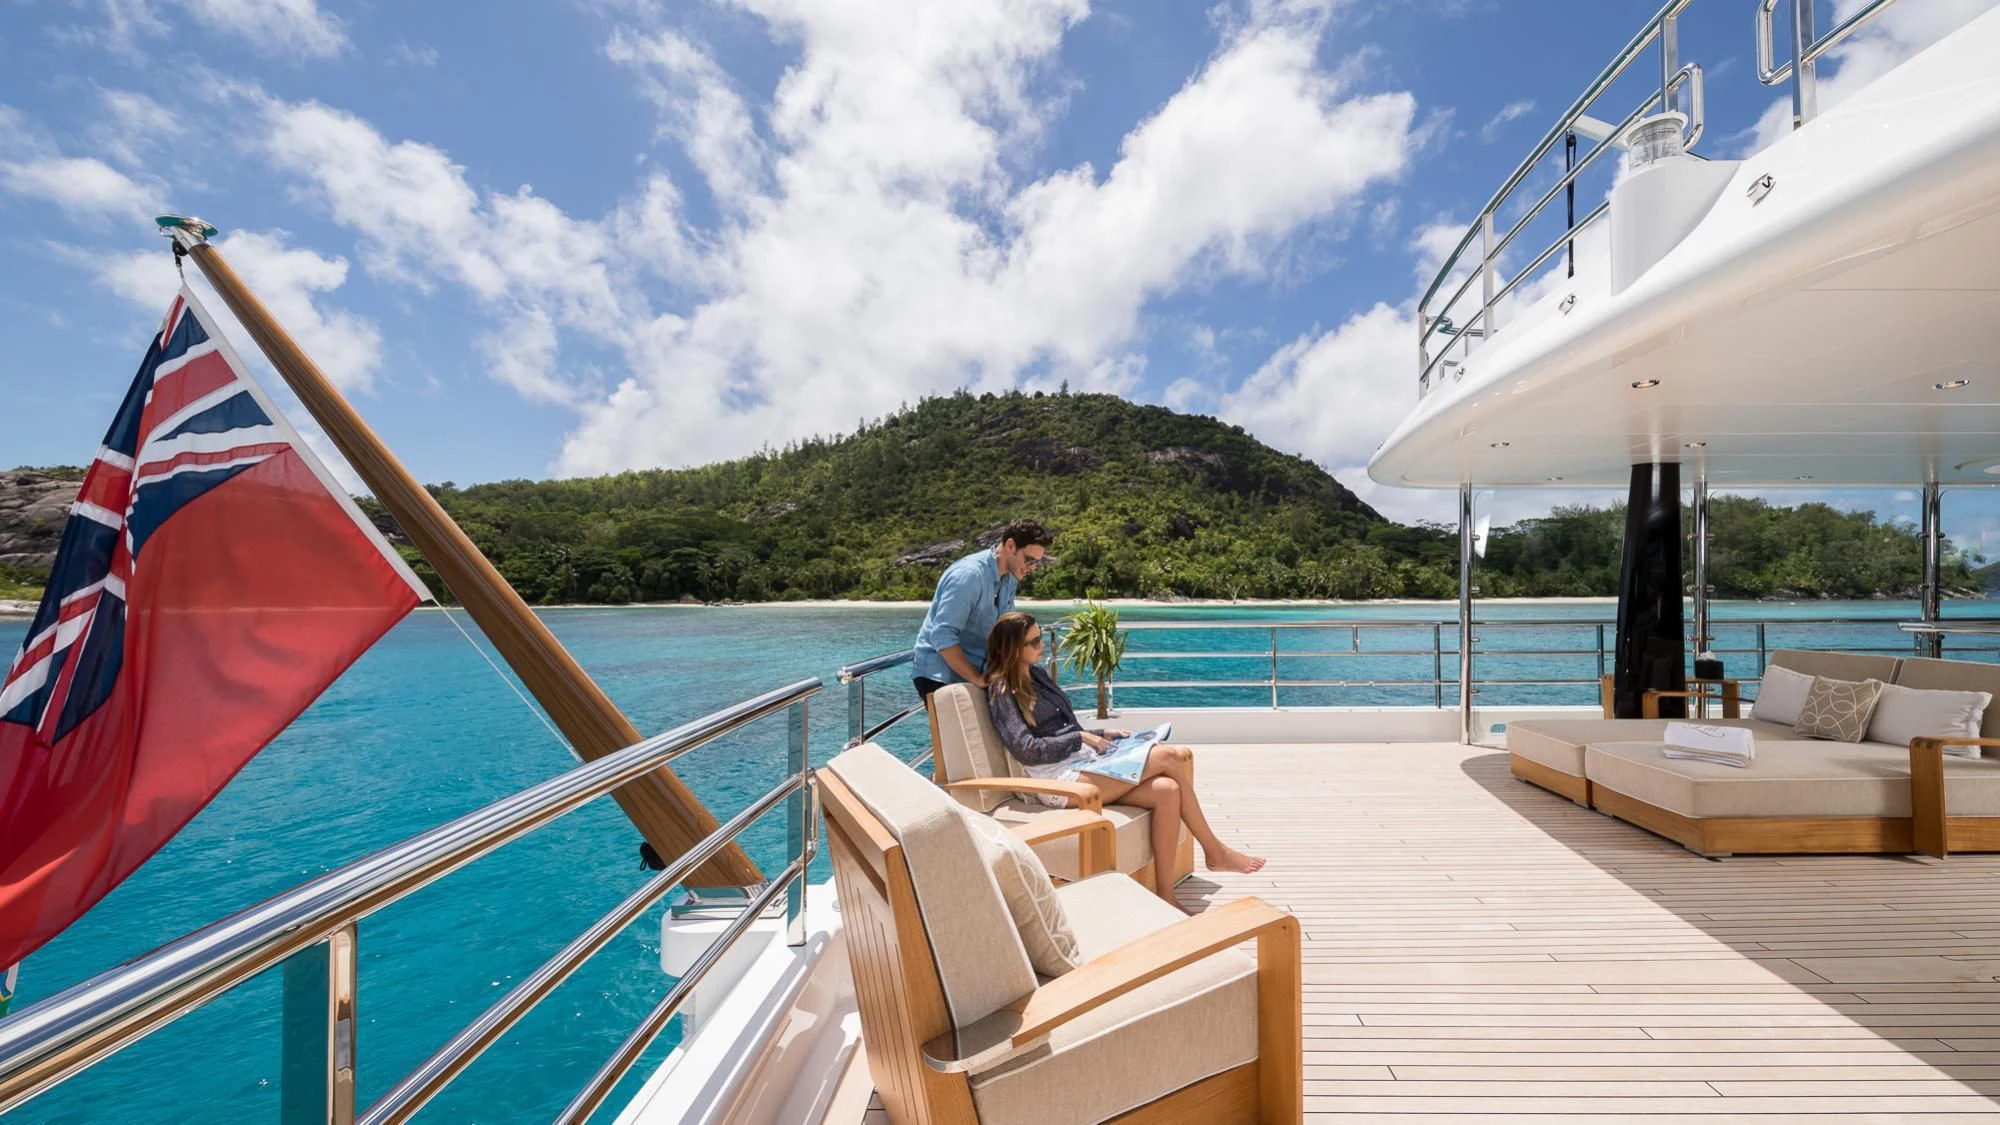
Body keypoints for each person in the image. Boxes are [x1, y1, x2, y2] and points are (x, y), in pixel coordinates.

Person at [983, 611, 1265, 905]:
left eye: (1041, 637)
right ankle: (1215, 851)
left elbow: (1066, 728)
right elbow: (1026, 748)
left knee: (1167, 791)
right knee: (1168, 757)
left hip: (1082, 762)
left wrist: (1102, 733)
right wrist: (1080, 738)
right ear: (1013, 647)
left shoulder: (1037, 675)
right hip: (1057, 781)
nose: (1043, 645)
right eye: (1035, 641)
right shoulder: (1002, 690)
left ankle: (1166, 894)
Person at [910, 519, 1053, 698]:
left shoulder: (1010, 578)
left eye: (1036, 563)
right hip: (941, 676)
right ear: (1010, 546)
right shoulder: (969, 575)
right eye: (1029, 560)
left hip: (978, 673)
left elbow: (1004, 631)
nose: (1032, 568)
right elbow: (942, 634)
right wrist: (977, 678)